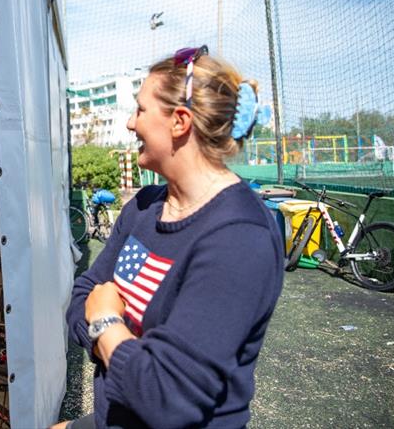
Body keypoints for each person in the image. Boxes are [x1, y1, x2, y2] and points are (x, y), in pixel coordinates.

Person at [56, 46, 283, 429]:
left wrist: (106, 324)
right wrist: (114, 341)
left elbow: (167, 396)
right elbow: (85, 294)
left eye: (141, 110)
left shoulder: (240, 238)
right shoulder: (145, 206)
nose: (130, 123)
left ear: (180, 122)